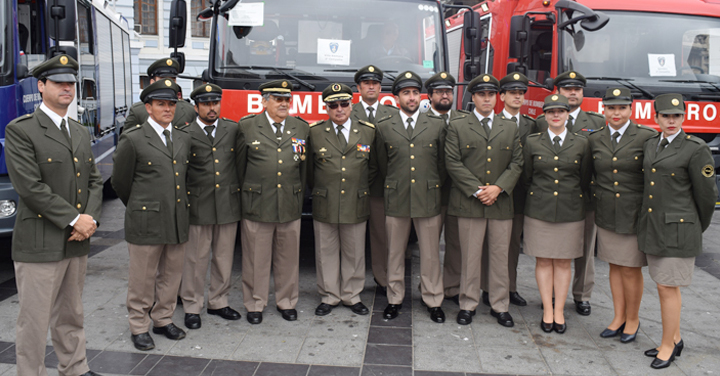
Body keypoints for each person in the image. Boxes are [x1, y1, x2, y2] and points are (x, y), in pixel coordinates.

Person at [5, 54, 103, 376]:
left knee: (71, 313)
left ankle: (74, 367)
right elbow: (30, 187)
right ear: (41, 86)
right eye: (59, 82)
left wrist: (88, 220)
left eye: (71, 83)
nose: (67, 88)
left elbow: (93, 180)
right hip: (40, 242)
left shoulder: (78, 131)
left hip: (76, 241)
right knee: (34, 320)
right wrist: (76, 219)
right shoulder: (22, 130)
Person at [111, 79, 192, 351]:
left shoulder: (181, 137)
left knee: (171, 275)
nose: (168, 109)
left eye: (171, 104)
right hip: (146, 220)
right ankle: (138, 324)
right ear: (148, 107)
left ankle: (163, 319)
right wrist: (139, 206)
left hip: (177, 218)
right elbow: (120, 182)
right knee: (143, 278)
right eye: (161, 104)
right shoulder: (133, 139)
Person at [637, 94, 717, 369]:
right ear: (656, 117)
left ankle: (668, 346)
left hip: (680, 230)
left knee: (667, 288)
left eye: (677, 116)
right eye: (666, 116)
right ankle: (675, 338)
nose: (671, 121)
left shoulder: (695, 149)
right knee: (663, 285)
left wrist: (695, 227)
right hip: (655, 227)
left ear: (684, 117)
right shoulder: (652, 144)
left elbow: (707, 197)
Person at [444, 73, 523, 327]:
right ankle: (467, 304)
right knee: (469, 256)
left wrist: (498, 187)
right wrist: (478, 191)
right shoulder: (457, 125)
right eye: (481, 94)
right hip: (469, 203)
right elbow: (452, 163)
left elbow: (517, 162)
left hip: (500, 203)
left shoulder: (510, 127)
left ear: (497, 97)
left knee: (500, 256)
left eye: (491, 94)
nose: (486, 98)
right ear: (473, 98)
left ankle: (500, 305)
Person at [374, 71, 447, 323]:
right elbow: (382, 164)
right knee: (394, 253)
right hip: (397, 197)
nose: (412, 97)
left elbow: (441, 164)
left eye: (416, 92)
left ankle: (433, 299)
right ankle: (394, 299)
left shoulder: (436, 125)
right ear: (397, 98)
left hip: (427, 198)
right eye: (406, 93)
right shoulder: (384, 127)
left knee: (429, 254)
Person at [237, 80, 310, 324]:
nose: (283, 104)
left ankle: (286, 301)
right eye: (278, 99)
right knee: (256, 257)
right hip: (258, 203)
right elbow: (239, 167)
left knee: (288, 257)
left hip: (289, 202)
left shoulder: (300, 128)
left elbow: (303, 169)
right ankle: (255, 303)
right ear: (264, 101)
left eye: (287, 100)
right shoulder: (247, 126)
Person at [589, 88, 657, 343]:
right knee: (614, 267)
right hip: (607, 212)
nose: (616, 113)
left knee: (630, 269)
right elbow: (591, 174)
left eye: (621, 108)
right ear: (603, 110)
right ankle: (618, 317)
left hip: (633, 213)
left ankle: (633, 319)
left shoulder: (646, 137)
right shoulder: (595, 138)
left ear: (631, 109)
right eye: (611, 108)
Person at [536, 71, 603, 316]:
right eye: (567, 88)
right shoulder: (542, 121)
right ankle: (553, 293)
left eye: (577, 88)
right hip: (554, 198)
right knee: (554, 250)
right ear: (557, 92)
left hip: (586, 196)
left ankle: (582, 295)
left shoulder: (596, 122)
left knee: (585, 250)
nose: (573, 92)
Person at [523, 94, 591, 334]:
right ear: (544, 115)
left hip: (570, 210)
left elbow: (584, 178)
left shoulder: (582, 142)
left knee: (563, 262)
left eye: (560, 111)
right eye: (550, 111)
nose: (555, 115)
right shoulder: (532, 142)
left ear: (567, 115)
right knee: (542, 260)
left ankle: (559, 310)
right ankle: (547, 311)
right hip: (539, 210)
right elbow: (527, 176)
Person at [308, 83, 376, 317]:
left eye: (344, 104)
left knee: (354, 251)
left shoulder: (367, 131)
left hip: (356, 201)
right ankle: (329, 296)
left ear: (351, 105)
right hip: (325, 201)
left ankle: (352, 295)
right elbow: (308, 171)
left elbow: (375, 168)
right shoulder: (315, 132)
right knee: (325, 251)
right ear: (326, 108)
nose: (339, 109)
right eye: (333, 105)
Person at [179, 83, 243, 330]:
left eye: (215, 102)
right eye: (205, 104)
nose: (211, 108)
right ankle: (192, 306)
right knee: (195, 259)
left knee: (224, 258)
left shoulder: (233, 129)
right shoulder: (184, 133)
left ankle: (219, 301)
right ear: (196, 107)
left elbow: (239, 164)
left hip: (227, 203)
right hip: (198, 205)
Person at [486, 71, 538, 308]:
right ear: (502, 96)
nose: (518, 97)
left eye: (521, 93)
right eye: (513, 93)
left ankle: (510, 287)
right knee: (491, 244)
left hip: (519, 194)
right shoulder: (492, 121)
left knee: (513, 245)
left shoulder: (532, 124)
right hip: (494, 192)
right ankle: (488, 288)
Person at [351, 65, 397, 294]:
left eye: (375, 83)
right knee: (353, 238)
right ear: (358, 87)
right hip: (354, 185)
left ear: (380, 87)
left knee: (381, 235)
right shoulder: (347, 111)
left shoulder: (393, 114)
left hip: (381, 186)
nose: (371, 86)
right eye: (367, 83)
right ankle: (352, 282)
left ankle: (383, 278)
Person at [424, 71, 464, 305]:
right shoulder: (420, 121)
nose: (445, 95)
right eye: (439, 92)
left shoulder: (463, 120)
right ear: (430, 96)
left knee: (456, 244)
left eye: (448, 91)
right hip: (431, 194)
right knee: (429, 247)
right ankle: (429, 288)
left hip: (458, 193)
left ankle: (452, 287)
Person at [124, 58, 195, 129]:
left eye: (172, 80)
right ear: (152, 82)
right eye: (163, 79)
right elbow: (128, 138)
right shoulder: (138, 110)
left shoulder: (189, 110)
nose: (168, 84)